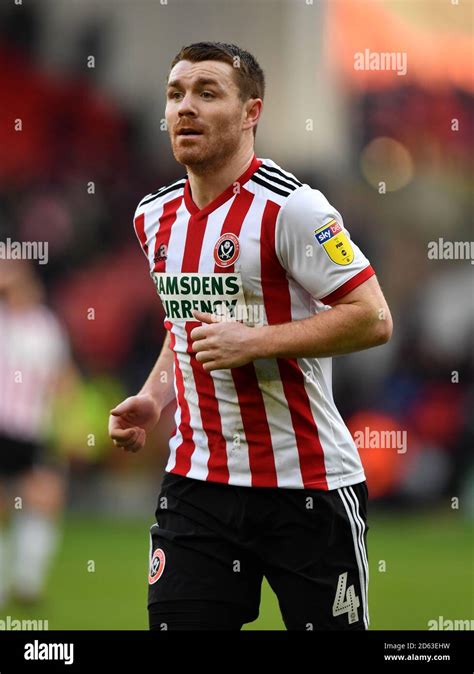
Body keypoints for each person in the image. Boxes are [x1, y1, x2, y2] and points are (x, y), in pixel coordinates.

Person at [109, 41, 393, 631]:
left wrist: (255, 342)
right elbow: (185, 323)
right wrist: (153, 398)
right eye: (175, 94)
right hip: (197, 482)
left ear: (251, 113)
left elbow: (372, 317)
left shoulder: (295, 209)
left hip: (306, 484)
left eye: (207, 93)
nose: (185, 107)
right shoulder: (152, 216)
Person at [0, 260, 76, 607]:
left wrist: (68, 424)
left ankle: (27, 583)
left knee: (44, 500)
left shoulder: (44, 325)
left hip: (32, 428)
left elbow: (63, 378)